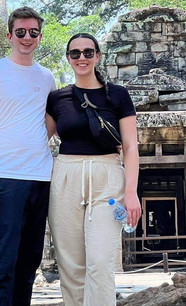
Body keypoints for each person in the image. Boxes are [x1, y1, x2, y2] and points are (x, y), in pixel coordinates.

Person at [45, 33, 141, 306]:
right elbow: (38, 138)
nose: (82, 58)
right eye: (75, 53)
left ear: (97, 56)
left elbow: (131, 147)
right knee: (71, 266)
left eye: (88, 52)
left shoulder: (118, 96)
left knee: (99, 262)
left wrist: (132, 193)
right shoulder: (57, 99)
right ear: (68, 59)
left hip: (108, 179)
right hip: (66, 177)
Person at [0, 6, 57, 306]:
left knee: (30, 259)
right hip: (6, 177)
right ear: (10, 35)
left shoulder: (47, 78)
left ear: (40, 36)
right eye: (20, 32)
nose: (27, 37)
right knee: (5, 257)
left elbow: (48, 123)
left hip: (41, 177)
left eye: (33, 32)